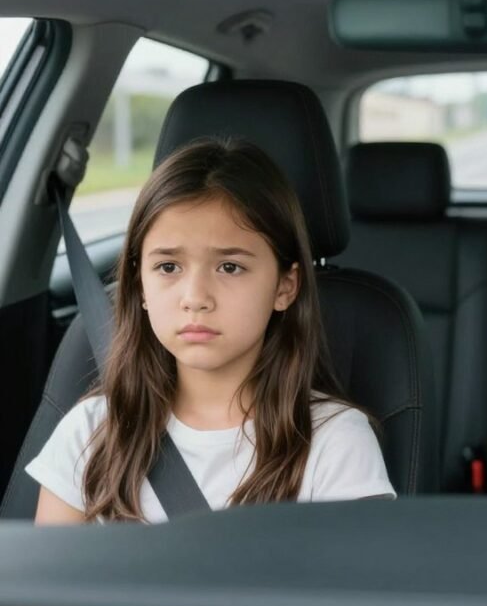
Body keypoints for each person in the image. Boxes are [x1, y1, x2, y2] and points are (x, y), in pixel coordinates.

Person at [28, 138, 395, 524]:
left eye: (230, 267)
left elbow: (355, 582)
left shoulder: (335, 442)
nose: (195, 298)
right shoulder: (91, 430)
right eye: (169, 267)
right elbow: (45, 583)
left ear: (285, 287)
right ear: (140, 287)